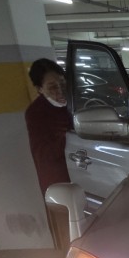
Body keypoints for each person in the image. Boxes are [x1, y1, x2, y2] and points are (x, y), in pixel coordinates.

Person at [25, 58, 72, 195]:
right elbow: (44, 154)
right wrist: (72, 139)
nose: (60, 91)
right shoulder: (36, 113)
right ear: (40, 89)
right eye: (52, 87)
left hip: (81, 171)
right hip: (58, 179)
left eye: (62, 83)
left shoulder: (74, 102)